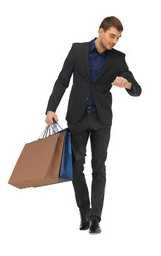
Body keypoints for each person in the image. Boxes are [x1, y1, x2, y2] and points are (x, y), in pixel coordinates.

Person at [45, 16, 142, 234]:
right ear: (101, 31)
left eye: (118, 38)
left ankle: (96, 218)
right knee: (76, 166)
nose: (114, 41)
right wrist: (51, 109)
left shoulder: (118, 58)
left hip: (101, 120)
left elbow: (137, 88)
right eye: (112, 36)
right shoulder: (77, 50)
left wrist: (127, 84)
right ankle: (84, 212)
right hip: (77, 117)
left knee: (99, 167)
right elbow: (62, 80)